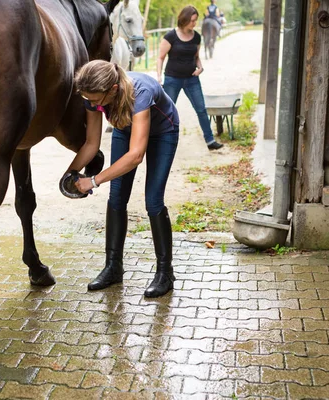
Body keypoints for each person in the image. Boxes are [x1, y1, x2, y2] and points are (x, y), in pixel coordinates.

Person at [68, 60, 179, 298]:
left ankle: (165, 273)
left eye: (97, 100)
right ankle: (113, 267)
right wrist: (72, 172)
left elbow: (135, 155)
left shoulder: (141, 92)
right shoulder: (93, 96)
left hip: (163, 133)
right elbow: (91, 143)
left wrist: (94, 180)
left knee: (153, 201)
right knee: (117, 197)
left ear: (113, 90)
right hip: (125, 128)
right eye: (89, 100)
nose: (93, 104)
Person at [157, 5, 223, 151]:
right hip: (172, 80)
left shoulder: (197, 37)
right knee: (167, 111)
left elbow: (196, 57)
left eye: (196, 21)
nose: (195, 24)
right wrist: (158, 77)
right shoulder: (171, 36)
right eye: (192, 21)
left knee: (201, 109)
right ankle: (160, 141)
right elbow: (160, 57)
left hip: (192, 80)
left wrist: (200, 68)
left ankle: (210, 140)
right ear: (184, 19)